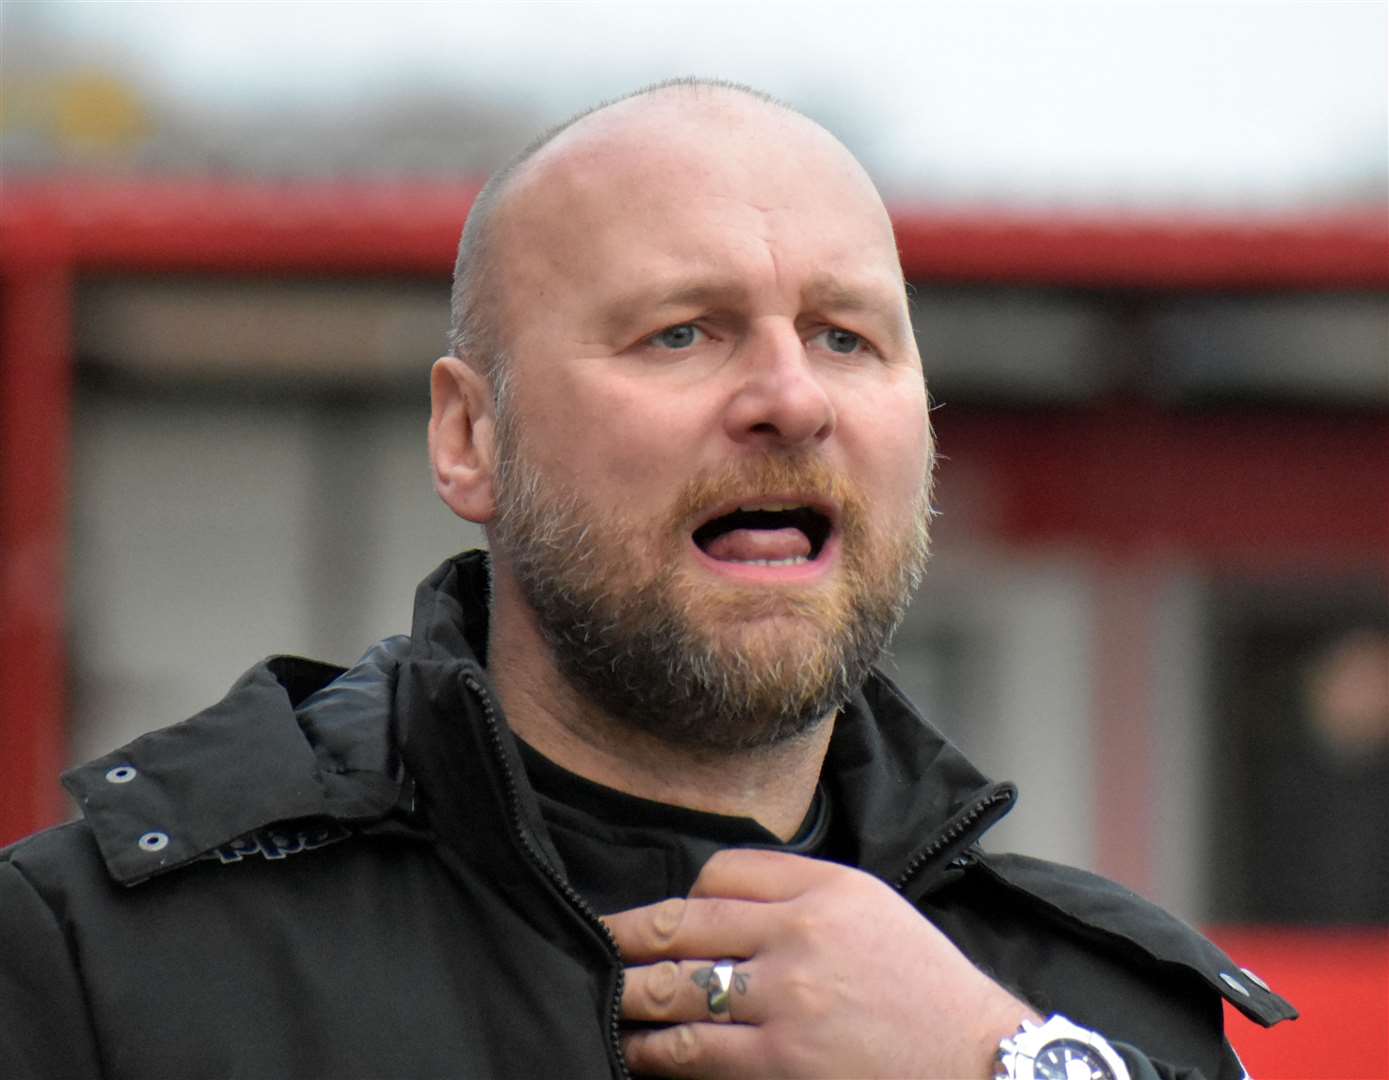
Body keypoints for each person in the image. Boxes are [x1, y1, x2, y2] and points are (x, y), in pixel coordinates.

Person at [0, 79, 1293, 1079]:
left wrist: (1000, 1064)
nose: (789, 397)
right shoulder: (102, 965)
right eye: (682, 331)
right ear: (470, 435)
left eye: (846, 336)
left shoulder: (1103, 1011)